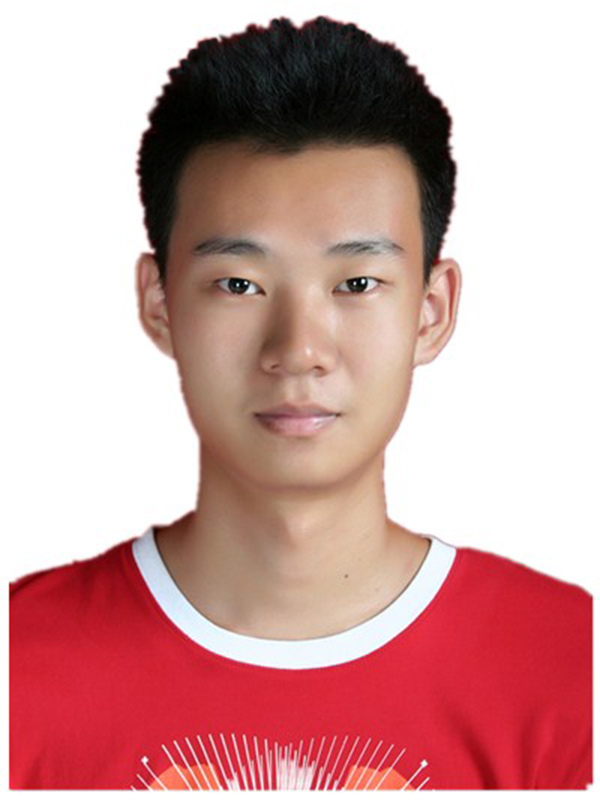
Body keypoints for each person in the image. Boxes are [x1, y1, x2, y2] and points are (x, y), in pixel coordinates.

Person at [10, 15, 592, 791]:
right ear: (158, 304)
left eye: (357, 284)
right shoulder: (17, 672)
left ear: (431, 311)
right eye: (239, 284)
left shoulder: (572, 668)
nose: (298, 349)